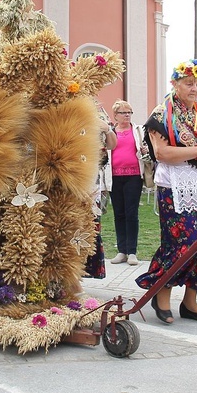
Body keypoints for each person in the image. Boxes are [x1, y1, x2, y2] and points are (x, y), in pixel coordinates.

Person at [136, 59, 197, 325]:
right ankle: (161, 296)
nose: (194, 89)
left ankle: (190, 302)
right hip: (173, 186)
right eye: (189, 83)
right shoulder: (162, 113)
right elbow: (162, 153)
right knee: (181, 244)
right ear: (175, 83)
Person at [109, 100, 147, 266]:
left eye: (129, 112)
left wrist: (145, 149)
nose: (127, 115)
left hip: (133, 176)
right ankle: (121, 251)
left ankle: (132, 251)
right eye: (123, 112)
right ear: (115, 115)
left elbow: (147, 147)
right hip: (115, 176)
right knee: (119, 213)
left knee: (131, 214)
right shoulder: (110, 132)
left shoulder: (138, 131)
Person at [84, 103, 115, 279]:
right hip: (74, 172)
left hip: (94, 176)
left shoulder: (98, 108)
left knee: (92, 223)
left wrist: (107, 129)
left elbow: (112, 145)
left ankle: (88, 272)